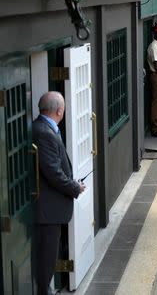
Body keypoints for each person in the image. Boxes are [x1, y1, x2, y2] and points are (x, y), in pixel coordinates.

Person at [32, 91, 86, 295]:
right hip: (47, 210)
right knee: (47, 263)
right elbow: (52, 172)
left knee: (48, 258)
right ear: (59, 110)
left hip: (50, 208)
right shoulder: (45, 132)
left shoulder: (43, 127)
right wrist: (74, 188)